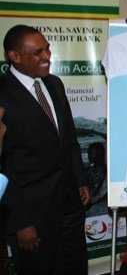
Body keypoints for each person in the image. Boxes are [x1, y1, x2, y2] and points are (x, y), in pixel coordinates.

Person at [0, 25, 91, 275]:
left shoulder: (54, 84)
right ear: (14, 56)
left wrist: (80, 180)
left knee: (74, 267)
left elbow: (69, 138)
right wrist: (19, 222)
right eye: (37, 52)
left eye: (47, 49)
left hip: (69, 204)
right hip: (32, 215)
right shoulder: (2, 93)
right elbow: (3, 165)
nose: (47, 56)